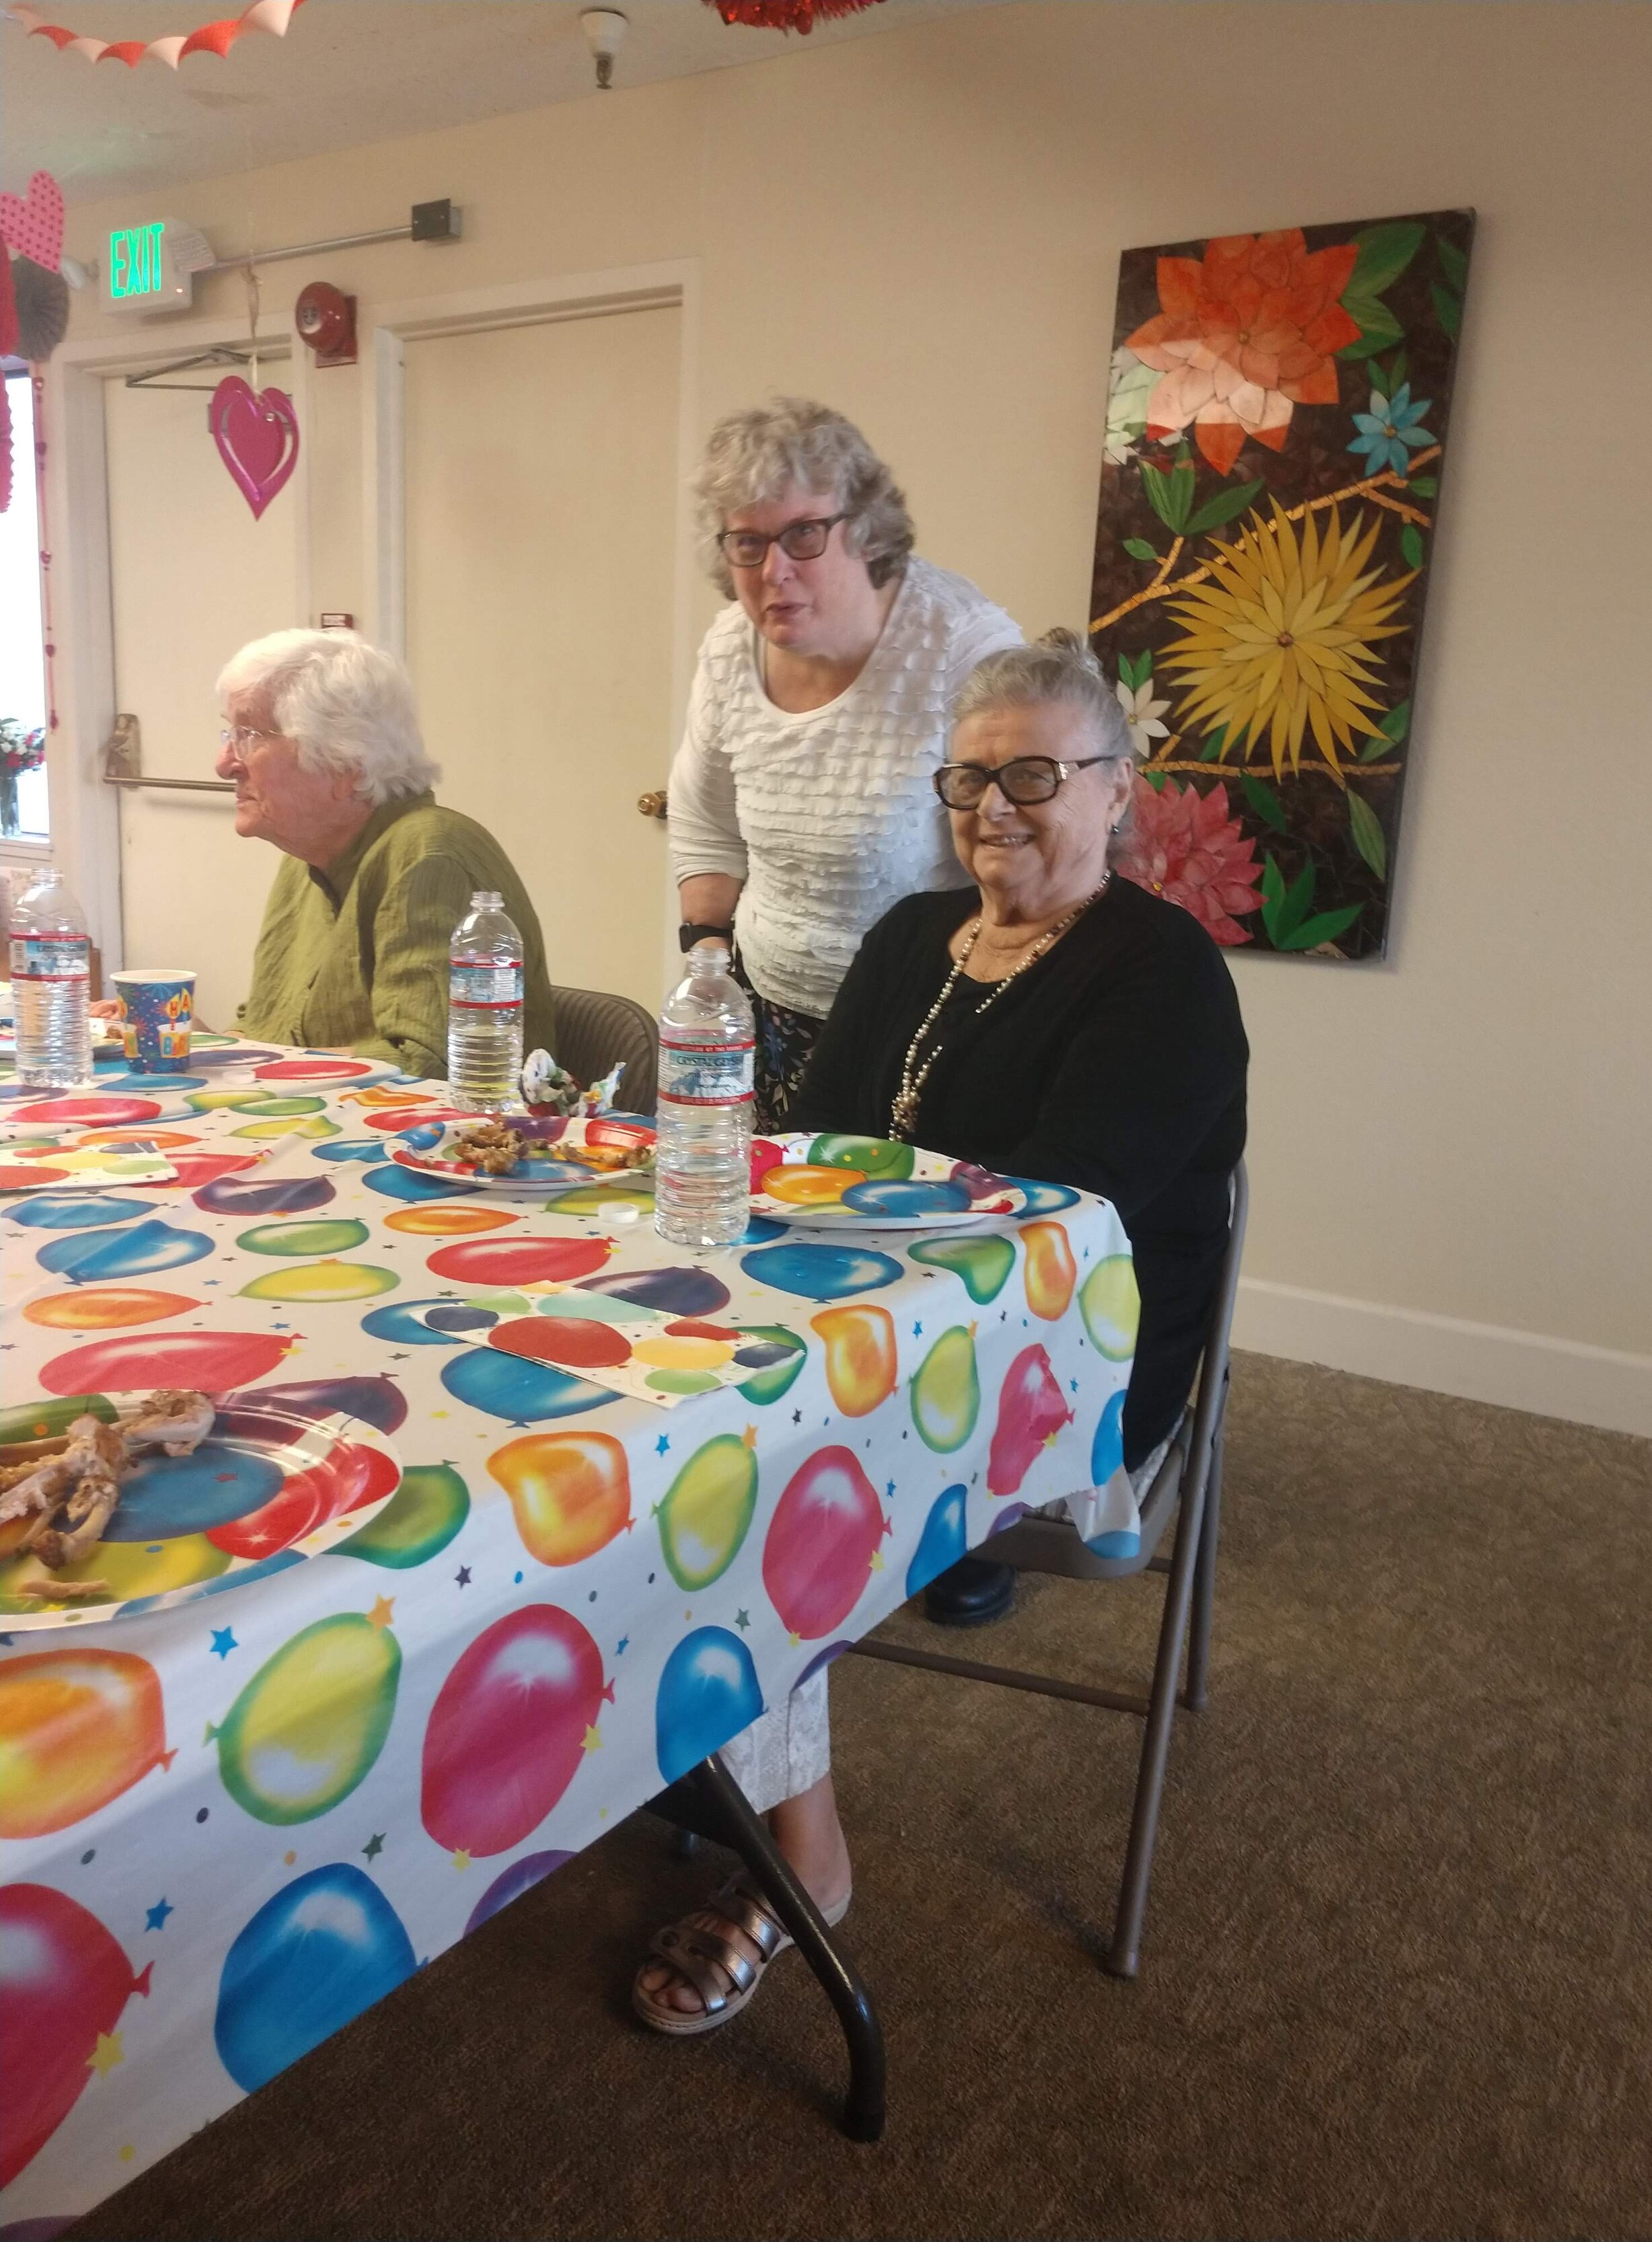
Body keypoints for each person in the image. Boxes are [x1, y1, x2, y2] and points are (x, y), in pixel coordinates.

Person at [632, 630, 1247, 2035]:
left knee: (743, 1484)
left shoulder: (1158, 978)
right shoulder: (911, 936)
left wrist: (846, 1228)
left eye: (1033, 772)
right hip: (865, 1323)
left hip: (1056, 1377)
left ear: (1113, 790)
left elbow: (1040, 1228)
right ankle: (688, 1738)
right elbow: (809, 1149)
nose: (992, 805)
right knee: (640, 1411)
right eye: (967, 776)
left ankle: (805, 1860)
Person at [665, 398, 1021, 1125]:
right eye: (747, 543)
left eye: (802, 535)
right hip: (765, 1019)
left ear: (862, 530)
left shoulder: (962, 648)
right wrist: (707, 964)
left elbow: (1029, 858)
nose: (773, 571)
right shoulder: (732, 647)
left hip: (926, 1030)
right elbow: (705, 822)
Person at [211, 629, 550, 1078]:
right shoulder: (303, 858)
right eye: (229, 733)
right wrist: (184, 1043)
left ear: (344, 764)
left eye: (249, 735)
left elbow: (423, 1067)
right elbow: (265, 1034)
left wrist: (254, 1068)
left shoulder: (430, 856)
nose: (224, 762)